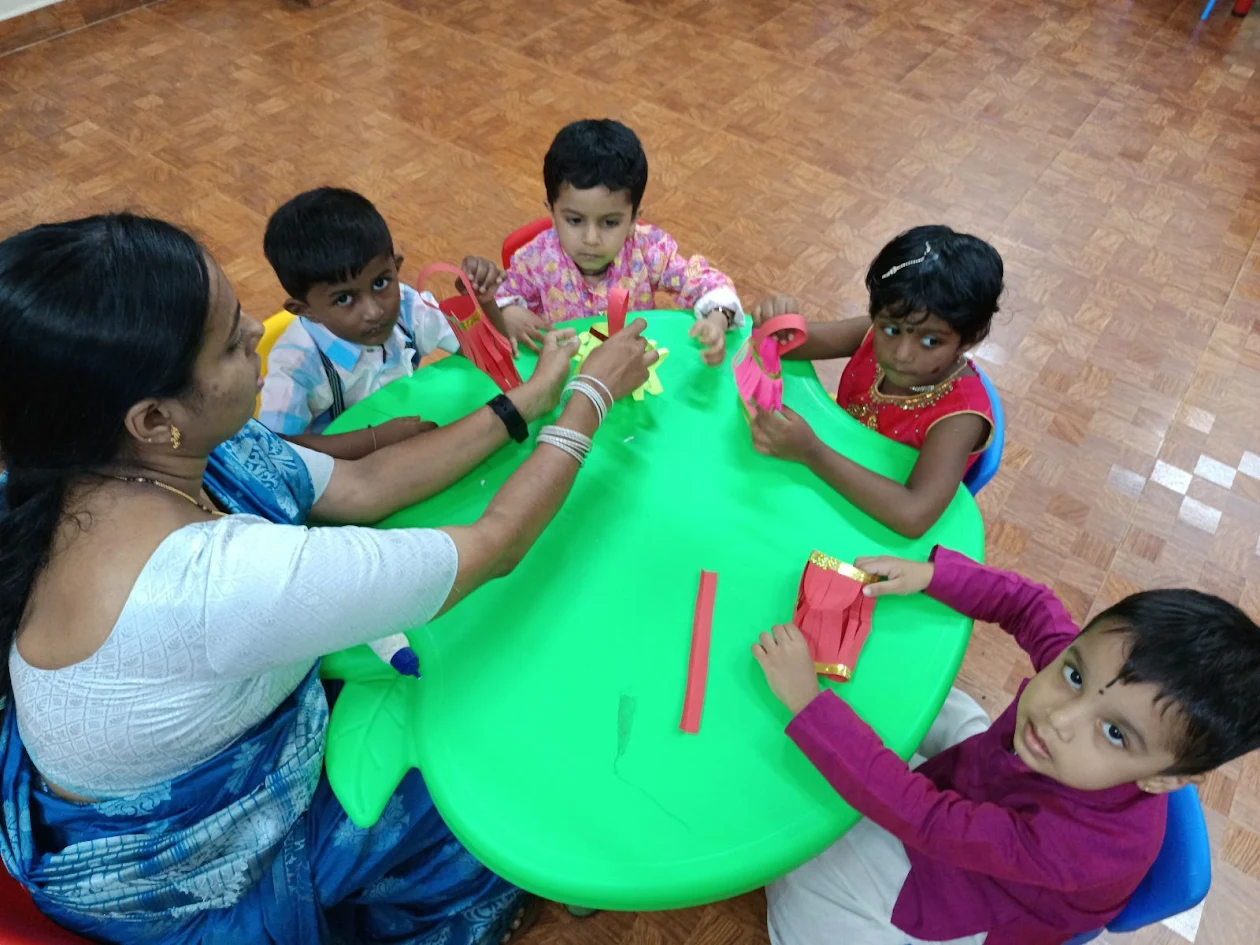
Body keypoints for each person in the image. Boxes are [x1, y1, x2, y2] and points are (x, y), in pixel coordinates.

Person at [0, 213, 655, 945]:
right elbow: (495, 544)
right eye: (227, 340)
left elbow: (363, 483)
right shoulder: (217, 580)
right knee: (495, 785)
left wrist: (525, 402)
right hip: (189, 863)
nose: (259, 326)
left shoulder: (112, 451)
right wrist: (589, 396)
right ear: (152, 417)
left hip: (162, 759)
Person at [752, 548, 1260, 945]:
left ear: (1166, 779)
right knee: (927, 700)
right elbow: (1030, 604)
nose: (1058, 716)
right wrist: (933, 576)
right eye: (1074, 674)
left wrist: (809, 706)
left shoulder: (1080, 846)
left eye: (1114, 734)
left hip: (982, 899)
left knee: (808, 863)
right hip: (998, 789)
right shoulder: (1107, 675)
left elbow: (926, 818)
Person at [748, 225, 1002, 538]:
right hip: (831, 480)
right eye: (891, 330)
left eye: (931, 341)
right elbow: (788, 345)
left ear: (968, 340)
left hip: (876, 521)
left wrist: (811, 451)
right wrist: (777, 323)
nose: (902, 354)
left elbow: (913, 515)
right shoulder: (878, 330)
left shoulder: (960, 416)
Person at [258, 187, 510, 459]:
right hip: (349, 473)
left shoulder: (406, 306)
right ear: (305, 310)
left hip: (413, 441)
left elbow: (490, 355)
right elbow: (276, 449)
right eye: (344, 299)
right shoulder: (296, 364)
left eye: (380, 283)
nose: (374, 311)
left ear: (396, 266)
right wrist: (376, 439)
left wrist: (483, 302)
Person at [495, 119, 743, 366]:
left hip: (632, 373)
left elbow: (708, 283)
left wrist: (718, 318)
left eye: (610, 223)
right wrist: (506, 313)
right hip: (567, 380)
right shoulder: (535, 260)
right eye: (574, 220)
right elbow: (497, 301)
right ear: (551, 212)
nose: (591, 239)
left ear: (634, 218)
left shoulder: (648, 250)